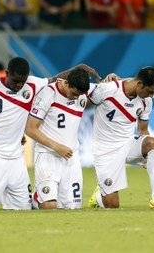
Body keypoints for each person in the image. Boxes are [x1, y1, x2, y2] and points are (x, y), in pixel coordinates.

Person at [0, 57, 100, 210]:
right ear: (6, 74)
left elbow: (54, 79)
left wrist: (77, 68)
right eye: (16, 81)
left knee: (24, 207)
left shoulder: (32, 84)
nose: (19, 85)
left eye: (22, 81)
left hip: (17, 156)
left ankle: (32, 198)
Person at [87, 67, 154, 209]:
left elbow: (143, 130)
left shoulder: (146, 101)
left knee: (153, 143)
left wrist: (147, 157)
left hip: (127, 144)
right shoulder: (108, 90)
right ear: (139, 84)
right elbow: (82, 106)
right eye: (149, 91)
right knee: (112, 205)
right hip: (105, 150)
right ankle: (98, 196)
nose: (151, 96)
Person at [25, 67, 91, 209]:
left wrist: (114, 78)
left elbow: (110, 88)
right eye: (73, 94)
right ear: (66, 83)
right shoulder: (48, 94)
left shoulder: (81, 91)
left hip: (71, 158)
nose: (75, 98)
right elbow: (30, 129)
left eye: (79, 95)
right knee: (49, 205)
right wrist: (57, 147)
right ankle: (36, 200)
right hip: (47, 156)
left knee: (73, 208)